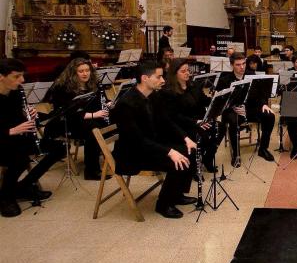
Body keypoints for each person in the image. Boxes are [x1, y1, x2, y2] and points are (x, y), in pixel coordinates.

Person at [110, 62, 195, 219]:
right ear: (145, 78)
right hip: (132, 153)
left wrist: (186, 138)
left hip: (150, 145)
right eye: (159, 76)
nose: (163, 80)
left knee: (189, 150)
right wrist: (169, 151)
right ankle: (163, 205)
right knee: (176, 161)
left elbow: (165, 121)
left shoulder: (153, 95)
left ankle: (176, 194)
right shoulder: (126, 104)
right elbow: (137, 139)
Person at [0, 59, 63, 217]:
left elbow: (20, 118)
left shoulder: (17, 92)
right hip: (3, 142)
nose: (22, 80)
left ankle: (23, 187)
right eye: (17, 76)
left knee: (59, 149)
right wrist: (11, 131)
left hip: (18, 140)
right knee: (19, 158)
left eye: (22, 76)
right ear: (1, 76)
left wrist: (30, 114)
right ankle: (6, 198)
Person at [45, 58, 110, 180]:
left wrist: (109, 104)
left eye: (87, 70)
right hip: (67, 122)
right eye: (81, 71)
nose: (85, 74)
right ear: (73, 73)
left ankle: (115, 158)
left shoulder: (94, 84)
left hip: (88, 118)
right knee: (93, 129)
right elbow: (67, 112)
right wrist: (94, 115)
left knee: (118, 120)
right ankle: (91, 171)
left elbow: (103, 101)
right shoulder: (63, 88)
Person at [159, 59, 218, 172]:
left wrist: (215, 98)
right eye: (183, 71)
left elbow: (204, 100)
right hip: (182, 125)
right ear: (174, 73)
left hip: (198, 120)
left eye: (188, 70)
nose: (187, 73)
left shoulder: (193, 85)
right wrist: (196, 123)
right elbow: (174, 116)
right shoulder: (168, 92)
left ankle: (207, 158)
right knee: (203, 133)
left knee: (218, 127)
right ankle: (194, 166)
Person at [219, 52, 275, 167]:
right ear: (232, 65)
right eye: (238, 65)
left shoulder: (252, 75)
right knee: (233, 121)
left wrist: (264, 104)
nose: (242, 67)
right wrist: (233, 107)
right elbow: (221, 101)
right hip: (233, 110)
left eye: (244, 63)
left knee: (270, 116)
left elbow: (261, 93)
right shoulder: (225, 79)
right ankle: (236, 154)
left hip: (250, 109)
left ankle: (263, 149)